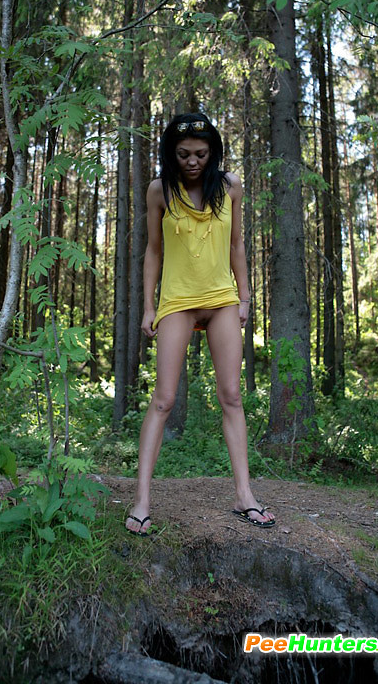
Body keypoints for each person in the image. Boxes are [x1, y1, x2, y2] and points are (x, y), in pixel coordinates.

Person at [125, 112, 275, 536]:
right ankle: (141, 500)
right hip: (177, 301)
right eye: (184, 154)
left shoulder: (230, 187)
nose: (193, 161)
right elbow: (154, 251)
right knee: (163, 400)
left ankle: (244, 495)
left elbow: (236, 245)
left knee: (232, 395)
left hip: (222, 299)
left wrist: (245, 297)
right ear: (171, 154)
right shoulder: (160, 190)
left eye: (202, 154)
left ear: (214, 153)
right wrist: (149, 306)